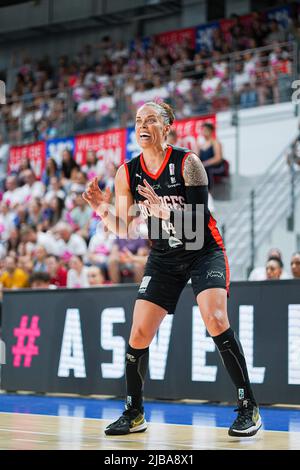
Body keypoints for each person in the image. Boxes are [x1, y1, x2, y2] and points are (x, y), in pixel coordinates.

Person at [82, 101, 261, 437]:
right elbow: (122, 228)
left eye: (151, 119)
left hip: (203, 251)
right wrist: (100, 209)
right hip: (164, 257)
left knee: (216, 320)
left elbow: (196, 223)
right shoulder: (127, 172)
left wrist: (165, 213)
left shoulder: (188, 164)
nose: (142, 125)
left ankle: (248, 407)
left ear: (167, 126)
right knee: (138, 334)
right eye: (137, 120)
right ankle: (134, 412)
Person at [198, 122, 227, 189]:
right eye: (203, 131)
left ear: (210, 131)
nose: (203, 133)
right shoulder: (201, 145)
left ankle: (208, 191)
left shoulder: (215, 143)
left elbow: (218, 158)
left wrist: (205, 164)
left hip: (216, 167)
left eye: (205, 130)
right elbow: (198, 158)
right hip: (205, 166)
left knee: (206, 169)